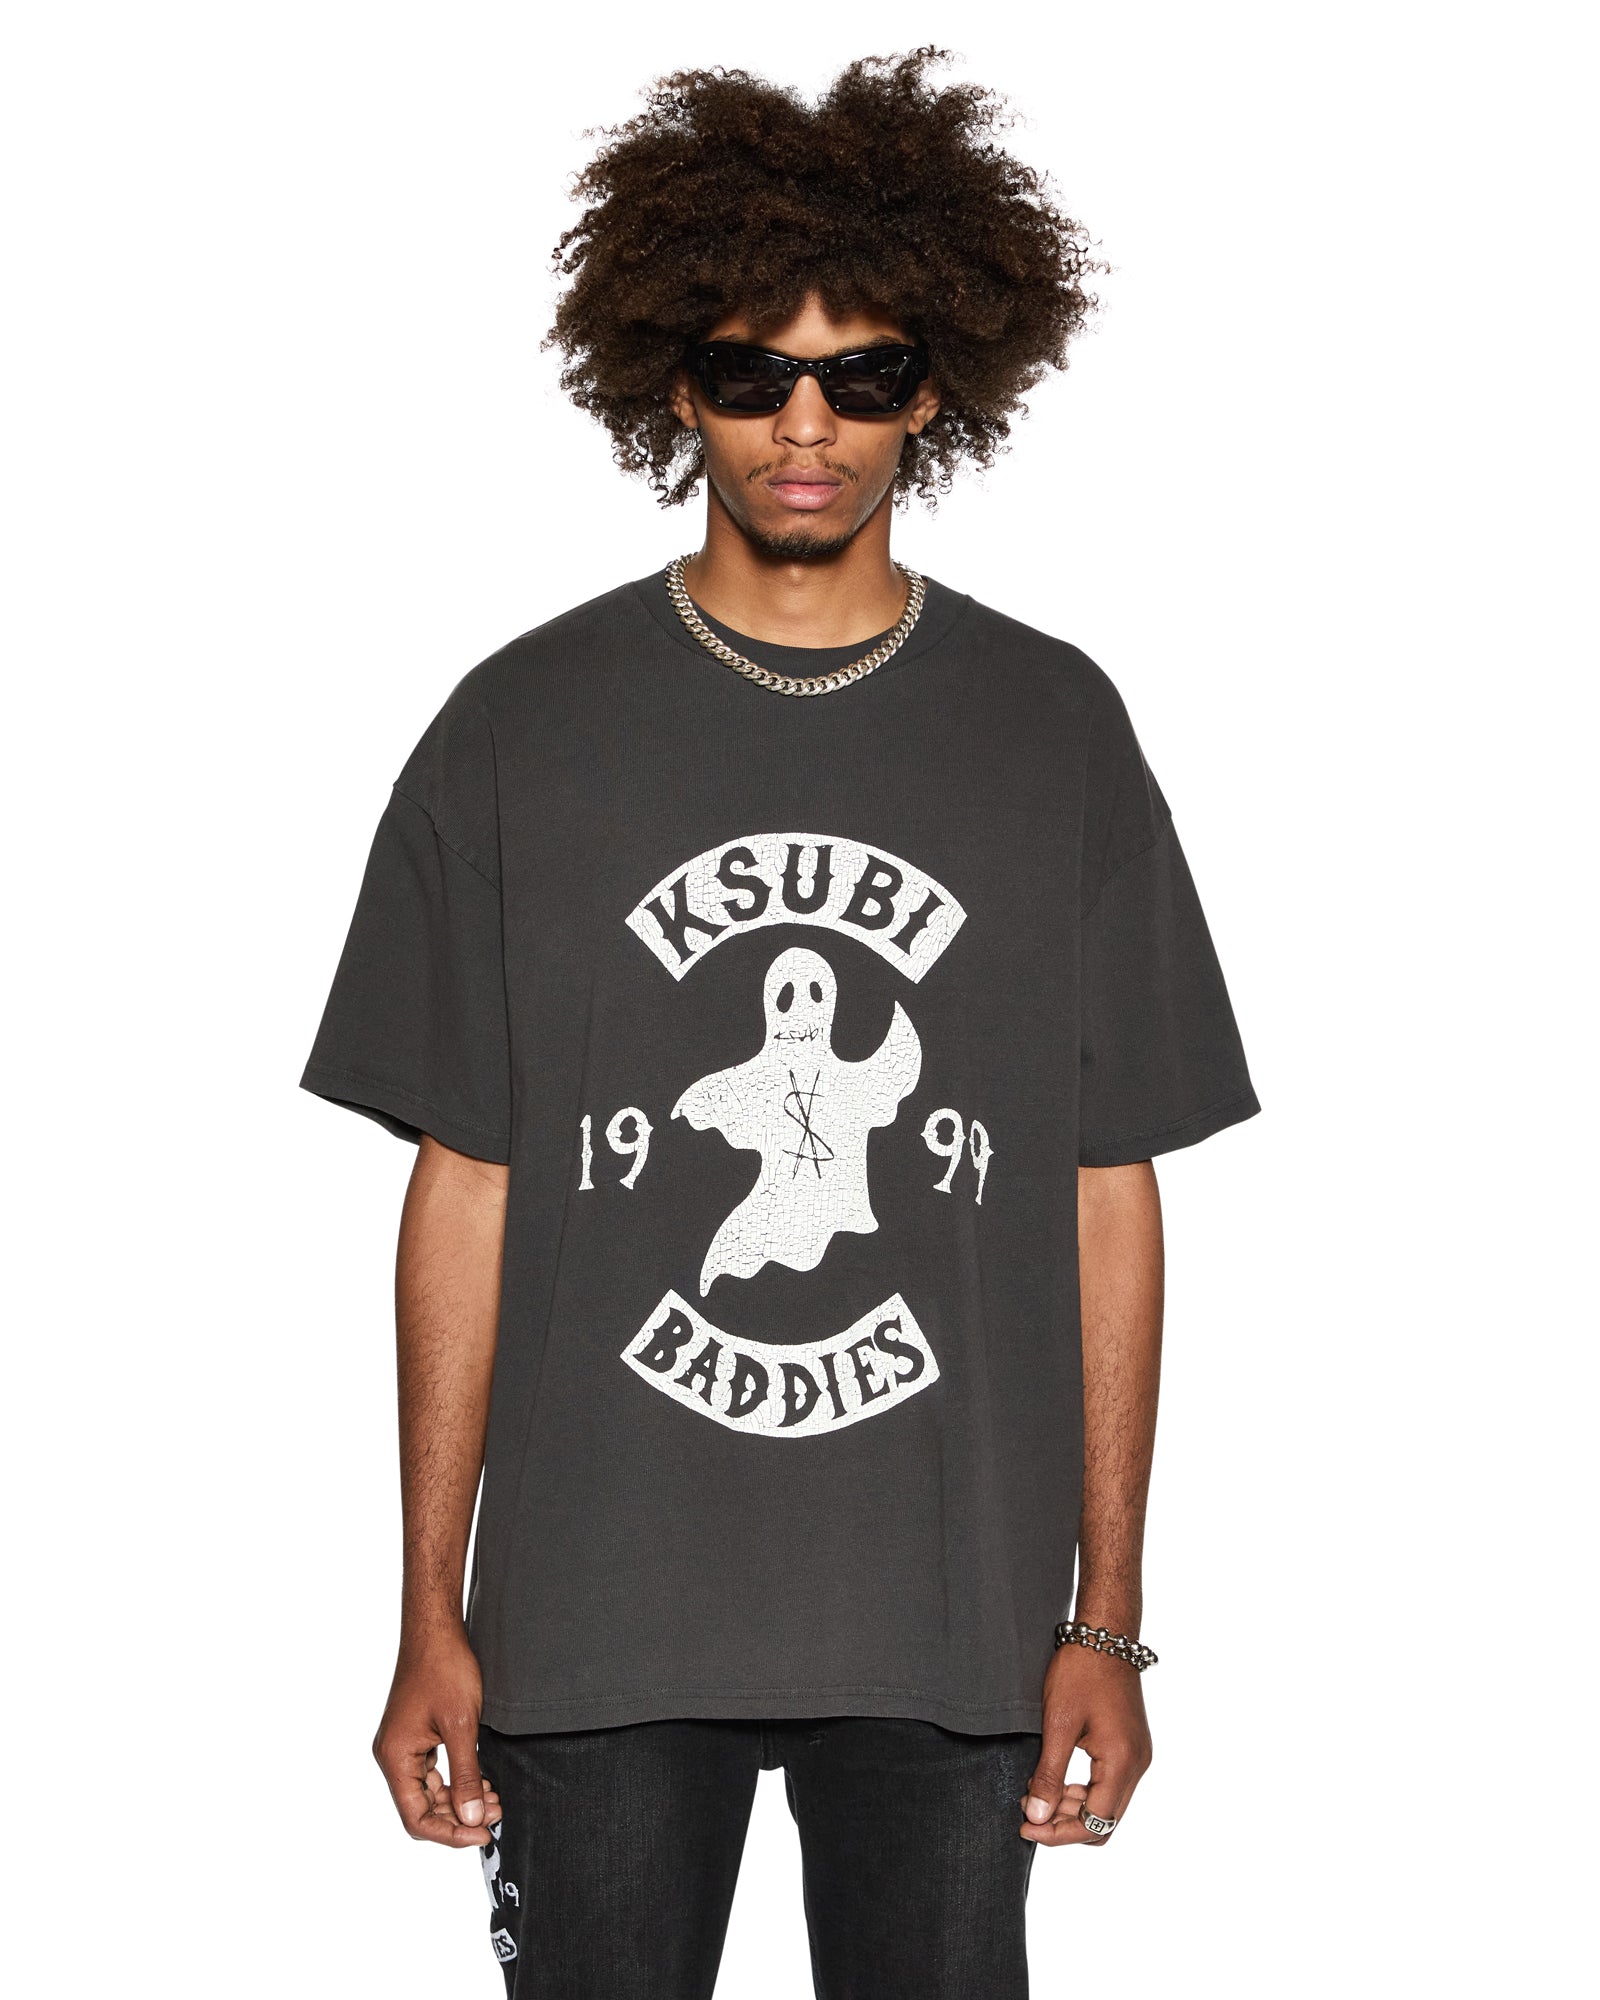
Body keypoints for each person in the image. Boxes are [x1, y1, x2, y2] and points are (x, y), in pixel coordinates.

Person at [302, 51, 1258, 2000]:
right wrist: (426, 1606)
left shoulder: (1050, 730)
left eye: (861, 373)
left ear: (936, 389)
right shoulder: (520, 729)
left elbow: (1105, 1185)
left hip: (948, 1628)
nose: (804, 426)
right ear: (675, 385)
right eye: (751, 375)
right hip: (592, 1621)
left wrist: (1110, 1619)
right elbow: (467, 1180)